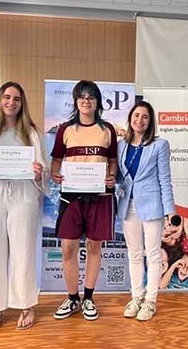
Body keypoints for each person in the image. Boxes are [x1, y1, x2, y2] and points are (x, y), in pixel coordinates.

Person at [0, 82, 48, 331]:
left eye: (17, 99)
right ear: (0, 101)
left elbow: (45, 170)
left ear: (22, 103)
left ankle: (26, 305)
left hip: (24, 196)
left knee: (23, 253)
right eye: (7, 97)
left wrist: (39, 173)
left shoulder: (32, 134)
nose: (11, 102)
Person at [50, 79, 117, 321]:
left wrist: (112, 176)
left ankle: (88, 298)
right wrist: (54, 173)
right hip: (71, 198)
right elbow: (57, 160)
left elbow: (112, 161)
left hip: (100, 197)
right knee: (68, 250)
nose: (86, 101)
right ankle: (72, 298)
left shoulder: (107, 130)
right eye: (82, 97)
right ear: (76, 101)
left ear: (97, 102)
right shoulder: (65, 129)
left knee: (94, 248)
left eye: (91, 97)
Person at [116, 100, 175, 321]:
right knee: (134, 253)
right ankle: (136, 297)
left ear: (150, 122)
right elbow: (121, 177)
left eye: (145, 117)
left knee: (152, 254)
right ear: (130, 118)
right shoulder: (121, 145)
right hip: (128, 205)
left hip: (152, 206)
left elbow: (165, 179)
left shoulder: (160, 145)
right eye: (136, 115)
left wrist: (170, 210)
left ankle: (150, 301)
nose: (139, 120)